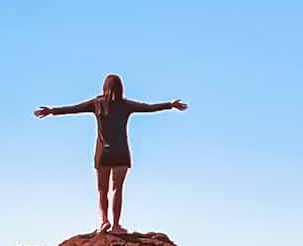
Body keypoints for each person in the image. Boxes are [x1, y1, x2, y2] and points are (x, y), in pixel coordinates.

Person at [35, 75, 188, 232]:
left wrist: (52, 111)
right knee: (117, 189)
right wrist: (170, 105)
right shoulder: (126, 105)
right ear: (121, 88)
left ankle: (104, 221)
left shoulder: (97, 103)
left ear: (104, 87)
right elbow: (148, 107)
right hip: (121, 153)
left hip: (103, 153)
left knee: (102, 189)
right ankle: (115, 226)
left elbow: (74, 108)